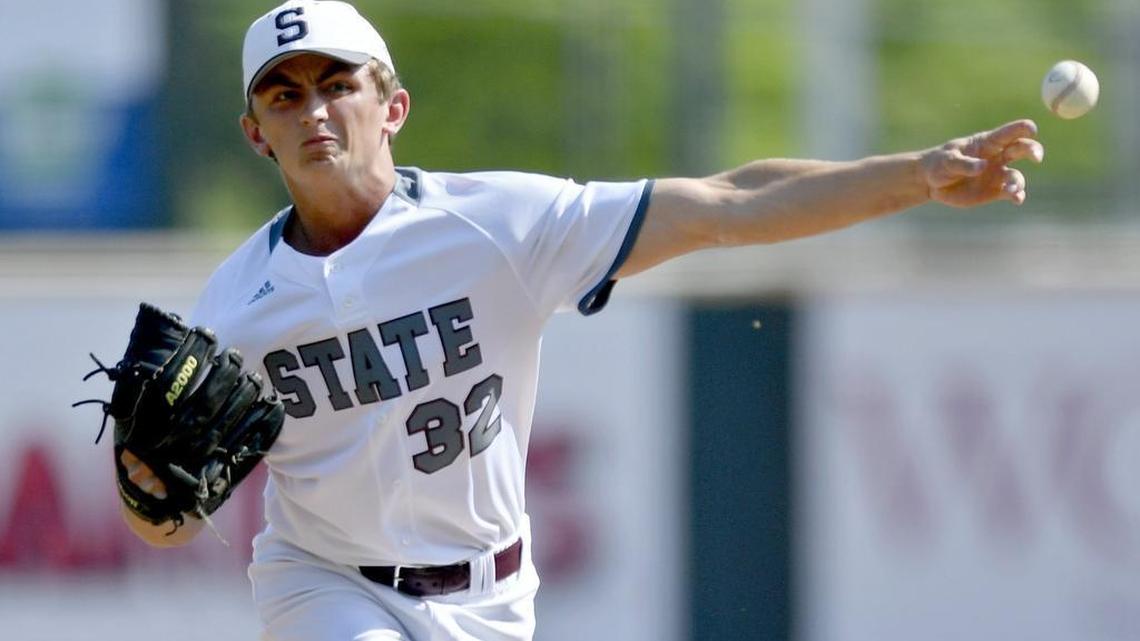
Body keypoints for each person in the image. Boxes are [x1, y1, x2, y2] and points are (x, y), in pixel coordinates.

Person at [117, 1, 1045, 639]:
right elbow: (163, 522)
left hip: (491, 591)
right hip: (323, 583)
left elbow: (726, 200)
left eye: (337, 84)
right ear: (255, 132)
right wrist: (140, 490)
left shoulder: (499, 228)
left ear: (392, 106)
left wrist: (919, 173)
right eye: (285, 94)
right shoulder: (234, 308)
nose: (315, 109)